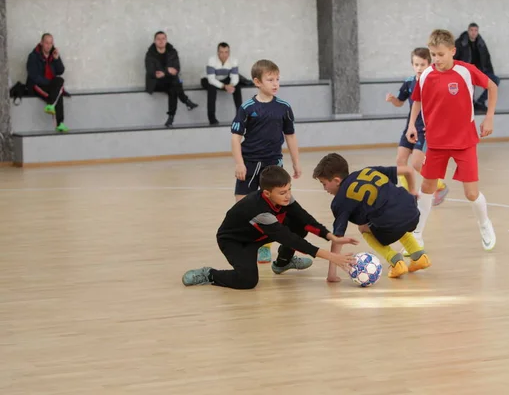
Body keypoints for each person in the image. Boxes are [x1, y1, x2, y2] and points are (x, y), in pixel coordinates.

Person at [181, 166, 358, 290]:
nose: (288, 196)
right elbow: (288, 238)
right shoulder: (258, 210)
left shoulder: (283, 197)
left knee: (298, 224)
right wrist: (332, 257)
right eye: (283, 193)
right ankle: (209, 274)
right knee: (248, 281)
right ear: (267, 193)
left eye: (289, 189)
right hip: (236, 241)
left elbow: (303, 218)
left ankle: (282, 263)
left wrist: (330, 237)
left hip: (259, 234)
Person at [407, 29, 498, 251]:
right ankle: (417, 234)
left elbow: (492, 87)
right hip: (436, 142)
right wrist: (411, 124)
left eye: (440, 54)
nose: (436, 59)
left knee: (471, 193)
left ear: (452, 51)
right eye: (433, 55)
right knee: (427, 187)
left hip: (464, 141)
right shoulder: (426, 74)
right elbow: (417, 100)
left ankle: (484, 224)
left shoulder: (466, 71)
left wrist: (489, 118)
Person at [312, 153, 431, 283]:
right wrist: (413, 191)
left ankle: (395, 261)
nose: (324, 189)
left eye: (324, 183)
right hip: (412, 212)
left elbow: (338, 238)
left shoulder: (339, 202)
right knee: (391, 217)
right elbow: (408, 170)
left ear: (336, 180)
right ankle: (419, 256)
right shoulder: (367, 170)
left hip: (391, 223)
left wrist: (331, 274)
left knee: (363, 227)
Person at [231, 59, 302, 264]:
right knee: (242, 206)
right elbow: (236, 138)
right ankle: (246, 244)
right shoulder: (247, 108)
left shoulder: (284, 108)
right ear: (257, 82)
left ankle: (269, 247)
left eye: (277, 79)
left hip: (273, 164)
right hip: (250, 164)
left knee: (275, 207)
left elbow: (290, 136)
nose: (275, 83)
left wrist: (296, 162)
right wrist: (239, 163)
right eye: (270, 79)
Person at [386, 47, 449, 206]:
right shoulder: (409, 82)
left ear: (430, 64)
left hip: (426, 129)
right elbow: (400, 102)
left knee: (417, 163)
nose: (419, 68)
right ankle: (408, 196)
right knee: (400, 160)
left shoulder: (435, 82)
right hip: (411, 127)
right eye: (416, 64)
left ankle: (440, 186)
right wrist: (393, 100)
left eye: (422, 64)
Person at [144, 31, 198, 128]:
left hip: (169, 81)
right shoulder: (150, 54)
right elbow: (151, 71)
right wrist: (168, 71)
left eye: (163, 38)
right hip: (155, 83)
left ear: (166, 40)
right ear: (154, 41)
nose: (161, 41)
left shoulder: (172, 52)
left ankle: (171, 117)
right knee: (175, 83)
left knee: (173, 87)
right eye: (158, 39)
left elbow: (177, 68)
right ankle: (186, 101)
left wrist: (164, 72)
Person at [26, 33, 68, 132]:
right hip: (36, 85)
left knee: (60, 81)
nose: (48, 45)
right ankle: (60, 123)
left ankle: (51, 106)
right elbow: (34, 76)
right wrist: (50, 83)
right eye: (46, 43)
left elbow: (60, 71)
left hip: (49, 85)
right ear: (41, 43)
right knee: (59, 91)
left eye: (50, 43)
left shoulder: (53, 54)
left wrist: (57, 59)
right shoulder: (33, 56)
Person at [454, 23, 500, 112]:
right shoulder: (460, 43)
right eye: (471, 30)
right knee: (470, 83)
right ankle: (470, 104)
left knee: (495, 81)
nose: (473, 33)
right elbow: (454, 59)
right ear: (468, 31)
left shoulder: (481, 43)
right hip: (466, 71)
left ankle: (479, 102)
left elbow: (487, 58)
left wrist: (490, 74)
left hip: (480, 71)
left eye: (475, 30)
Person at [201, 42, 243, 125]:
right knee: (211, 88)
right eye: (221, 52)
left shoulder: (233, 61)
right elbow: (211, 80)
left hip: (224, 79)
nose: (224, 55)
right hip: (207, 80)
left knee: (237, 87)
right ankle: (212, 119)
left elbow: (235, 78)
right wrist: (224, 86)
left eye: (226, 52)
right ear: (218, 52)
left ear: (229, 52)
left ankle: (240, 117)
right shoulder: (211, 60)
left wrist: (231, 85)